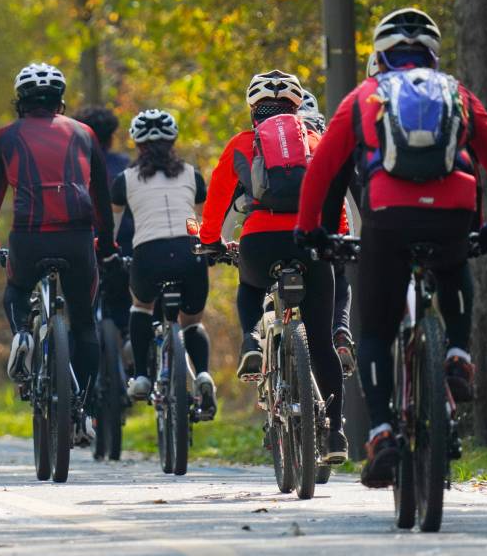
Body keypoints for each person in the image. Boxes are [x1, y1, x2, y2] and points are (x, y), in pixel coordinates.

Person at [295, 7, 487, 487]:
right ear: (433, 55)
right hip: (453, 212)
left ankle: (380, 434)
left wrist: (310, 229)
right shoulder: (457, 94)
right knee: (454, 265)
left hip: (388, 217)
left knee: (374, 330)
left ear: (380, 53)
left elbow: (323, 171)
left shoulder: (366, 96)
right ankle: (457, 355)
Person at [199, 70, 349, 463]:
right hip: (310, 240)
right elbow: (337, 201)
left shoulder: (242, 143)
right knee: (320, 342)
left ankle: (251, 340)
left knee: (250, 288)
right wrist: (337, 236)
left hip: (259, 239)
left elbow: (216, 201)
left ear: (253, 110)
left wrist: (209, 241)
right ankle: (335, 434)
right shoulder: (316, 140)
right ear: (297, 108)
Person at [0, 62, 116, 441]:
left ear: (20, 101)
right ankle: (80, 407)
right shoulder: (84, 134)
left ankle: (22, 335)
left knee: (17, 291)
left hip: (29, 238)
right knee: (84, 323)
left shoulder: (6, 137)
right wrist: (107, 241)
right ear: (60, 101)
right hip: (78, 238)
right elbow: (101, 195)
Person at [111, 109, 215, 417]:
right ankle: (204, 374)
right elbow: (200, 221)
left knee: (140, 307)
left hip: (148, 256)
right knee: (193, 321)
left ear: (137, 144)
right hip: (189, 253)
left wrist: (109, 255)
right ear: (173, 141)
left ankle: (141, 376)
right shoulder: (191, 174)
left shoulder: (124, 180)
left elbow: (112, 233)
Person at [297, 97, 356, 375]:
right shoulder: (324, 143)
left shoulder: (267, 144)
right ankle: (340, 329)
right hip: (324, 234)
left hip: (277, 234)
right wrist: (348, 237)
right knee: (339, 278)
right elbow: (349, 200)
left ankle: (265, 345)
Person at [74, 106, 133, 337]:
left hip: (84, 243)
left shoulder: (75, 166)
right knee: (126, 305)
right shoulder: (124, 165)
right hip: (124, 243)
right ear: (110, 137)